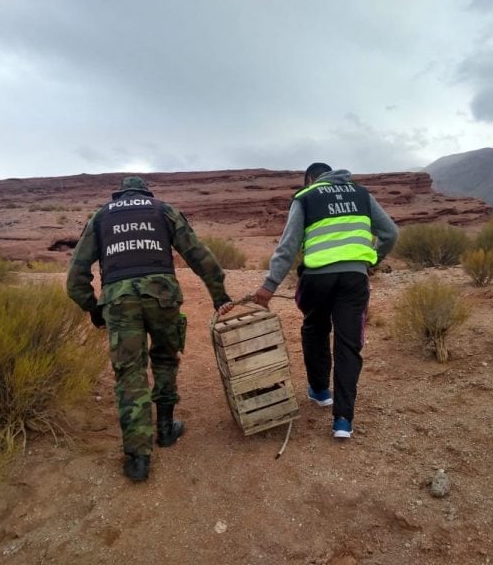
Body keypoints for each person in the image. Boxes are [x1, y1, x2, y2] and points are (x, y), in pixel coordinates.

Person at [67, 176, 232, 482]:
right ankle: (166, 429)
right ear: (145, 193)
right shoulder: (163, 210)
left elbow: (75, 278)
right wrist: (219, 295)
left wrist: (94, 309)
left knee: (130, 374)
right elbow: (199, 255)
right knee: (165, 358)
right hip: (163, 296)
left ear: (120, 195)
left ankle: (138, 458)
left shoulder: (101, 217)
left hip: (119, 300)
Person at [253, 163, 398, 439]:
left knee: (314, 328)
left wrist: (269, 285)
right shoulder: (361, 193)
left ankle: (320, 391)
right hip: (354, 279)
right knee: (348, 343)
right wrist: (371, 260)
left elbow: (289, 245)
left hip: (317, 279)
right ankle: (343, 420)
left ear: (310, 179)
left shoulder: (306, 196)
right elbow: (391, 233)